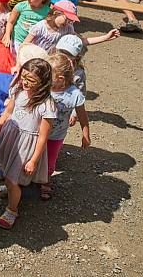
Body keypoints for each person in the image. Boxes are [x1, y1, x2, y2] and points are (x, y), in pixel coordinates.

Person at [0, 58, 56, 229]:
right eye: (23, 77)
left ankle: (12, 209)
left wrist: (33, 160)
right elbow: (7, 113)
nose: (25, 82)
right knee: (6, 169)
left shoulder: (46, 105)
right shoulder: (18, 91)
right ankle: (10, 189)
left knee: (13, 178)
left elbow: (42, 136)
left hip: (26, 145)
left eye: (31, 80)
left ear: (43, 82)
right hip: (10, 137)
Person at [41, 53, 90, 201]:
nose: (44, 77)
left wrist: (85, 133)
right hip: (36, 132)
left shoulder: (74, 94)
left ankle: (45, 181)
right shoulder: (44, 87)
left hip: (56, 135)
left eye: (48, 75)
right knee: (31, 155)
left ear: (60, 79)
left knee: (50, 160)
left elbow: (82, 115)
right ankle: (24, 179)